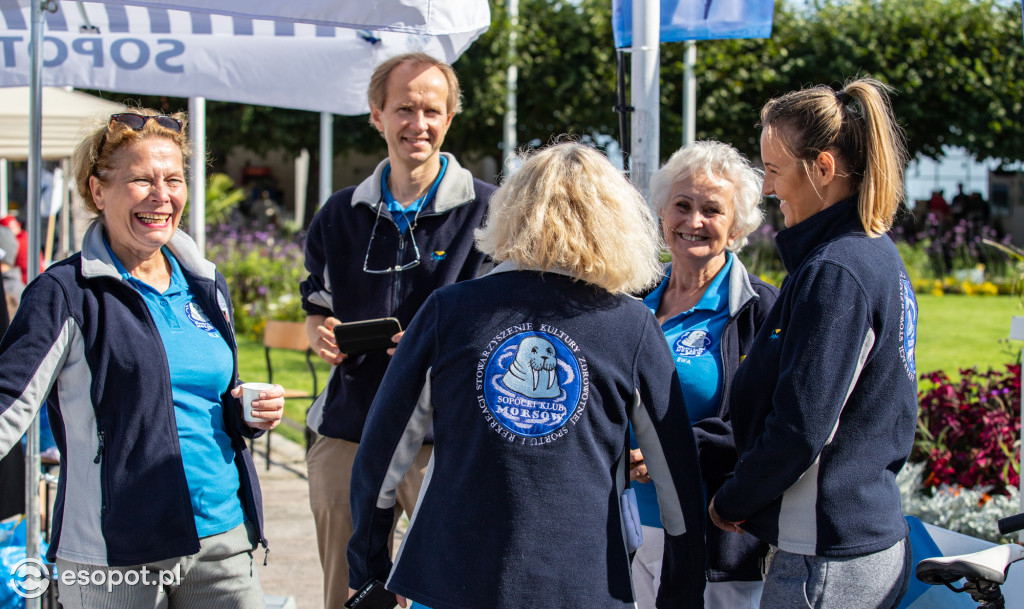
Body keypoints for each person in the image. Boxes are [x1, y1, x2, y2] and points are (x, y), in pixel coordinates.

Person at [347, 141, 708, 609]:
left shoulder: (450, 312)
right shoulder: (630, 326)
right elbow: (677, 476)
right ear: (618, 222)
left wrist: (368, 569)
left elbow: (380, 457)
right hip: (584, 582)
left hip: (451, 578)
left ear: (511, 212)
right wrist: (681, 593)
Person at [0, 109, 285, 608]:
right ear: (97, 191)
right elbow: (8, 403)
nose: (161, 195)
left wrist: (246, 414)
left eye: (173, 179)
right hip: (115, 551)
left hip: (221, 535)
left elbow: (201, 398)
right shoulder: (65, 292)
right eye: (140, 180)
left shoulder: (205, 282)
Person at [709, 78, 918, 609]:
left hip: (825, 555)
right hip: (851, 539)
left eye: (774, 170)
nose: (769, 187)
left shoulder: (838, 269)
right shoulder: (868, 253)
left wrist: (734, 498)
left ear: (823, 168)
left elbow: (802, 427)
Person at [300, 52, 495, 609]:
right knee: (349, 594)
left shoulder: (489, 212)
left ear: (450, 118)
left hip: (445, 437)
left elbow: (505, 315)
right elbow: (316, 299)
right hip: (349, 431)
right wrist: (323, 331)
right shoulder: (339, 213)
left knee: (457, 588)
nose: (419, 123)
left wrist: (440, 345)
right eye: (404, 108)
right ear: (376, 115)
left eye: (432, 110)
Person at [629, 140, 777, 609]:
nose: (693, 222)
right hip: (623, 527)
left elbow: (769, 428)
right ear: (661, 214)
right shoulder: (628, 301)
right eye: (682, 205)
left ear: (736, 228)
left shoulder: (762, 309)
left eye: (712, 209)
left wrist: (672, 452)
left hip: (713, 539)